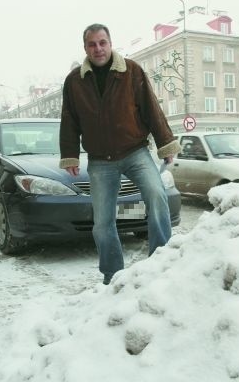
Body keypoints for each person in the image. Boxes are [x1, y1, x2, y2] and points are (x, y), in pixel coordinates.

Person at [59, 23, 181, 285]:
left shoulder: (131, 70)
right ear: (85, 48)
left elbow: (151, 108)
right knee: (102, 222)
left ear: (110, 43)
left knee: (157, 195)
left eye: (102, 42)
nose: (98, 48)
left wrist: (166, 145)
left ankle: (161, 260)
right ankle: (112, 275)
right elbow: (69, 120)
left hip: (135, 151)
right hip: (100, 161)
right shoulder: (74, 81)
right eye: (92, 44)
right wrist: (69, 155)